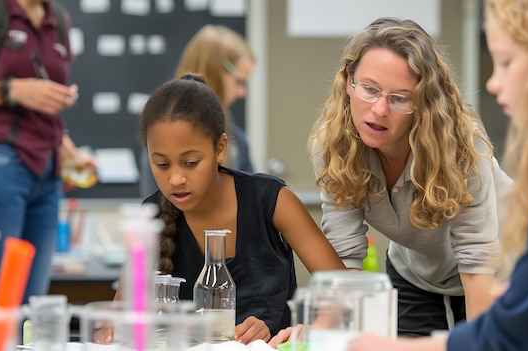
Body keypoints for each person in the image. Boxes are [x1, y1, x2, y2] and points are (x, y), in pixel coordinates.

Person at [346, 0, 528, 350]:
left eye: (507, 62)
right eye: (369, 89)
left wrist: (388, 347)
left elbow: (507, 335)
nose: (494, 83)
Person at [291, 16, 508, 339]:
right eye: (369, 89)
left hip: (502, 268)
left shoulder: (460, 144)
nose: (379, 110)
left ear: (423, 103)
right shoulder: (334, 146)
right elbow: (345, 260)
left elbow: (478, 259)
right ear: (348, 80)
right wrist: (315, 335)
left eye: (399, 98)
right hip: (417, 274)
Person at [113, 74, 346, 344]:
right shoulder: (151, 218)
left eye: (190, 162)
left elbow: (344, 292)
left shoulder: (273, 201)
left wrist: (308, 328)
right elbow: (117, 322)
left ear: (220, 148)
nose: (175, 178)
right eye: (162, 165)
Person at [0, 0, 95, 303]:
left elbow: (44, 112)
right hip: (0, 163)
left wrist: (69, 152)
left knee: (33, 307)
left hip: (48, 173)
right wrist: (13, 89)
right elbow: (25, 94)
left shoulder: (58, 18)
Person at [139, 24, 255, 198]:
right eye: (238, 82)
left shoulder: (237, 140)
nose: (242, 93)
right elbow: (155, 206)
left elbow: (251, 199)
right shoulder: (161, 136)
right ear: (214, 72)